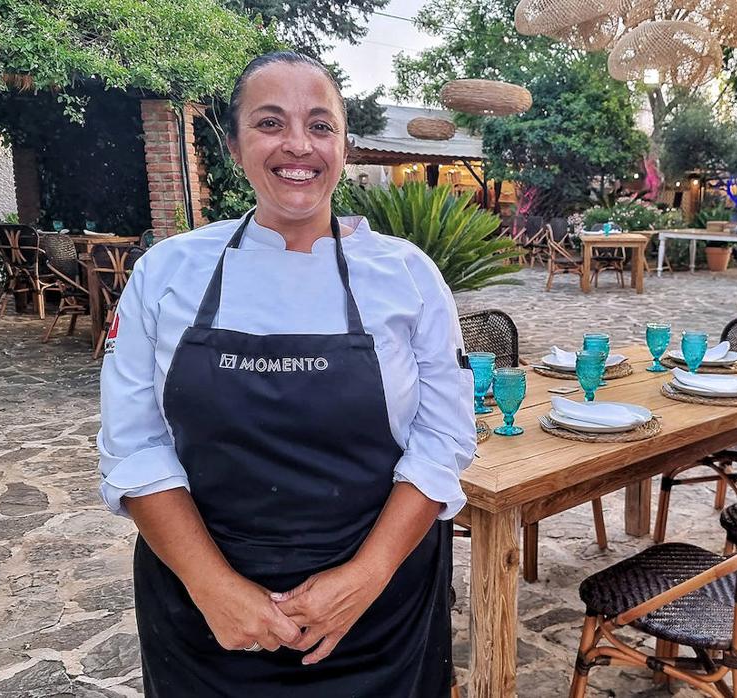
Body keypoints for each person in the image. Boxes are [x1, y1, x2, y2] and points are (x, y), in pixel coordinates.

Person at [96, 51, 474, 696]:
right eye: (270, 123)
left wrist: (368, 574)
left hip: (378, 606)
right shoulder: (167, 273)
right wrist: (214, 587)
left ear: (344, 145)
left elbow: (443, 440)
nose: (298, 145)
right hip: (205, 612)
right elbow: (134, 446)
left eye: (320, 125)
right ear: (235, 142)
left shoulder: (406, 275)